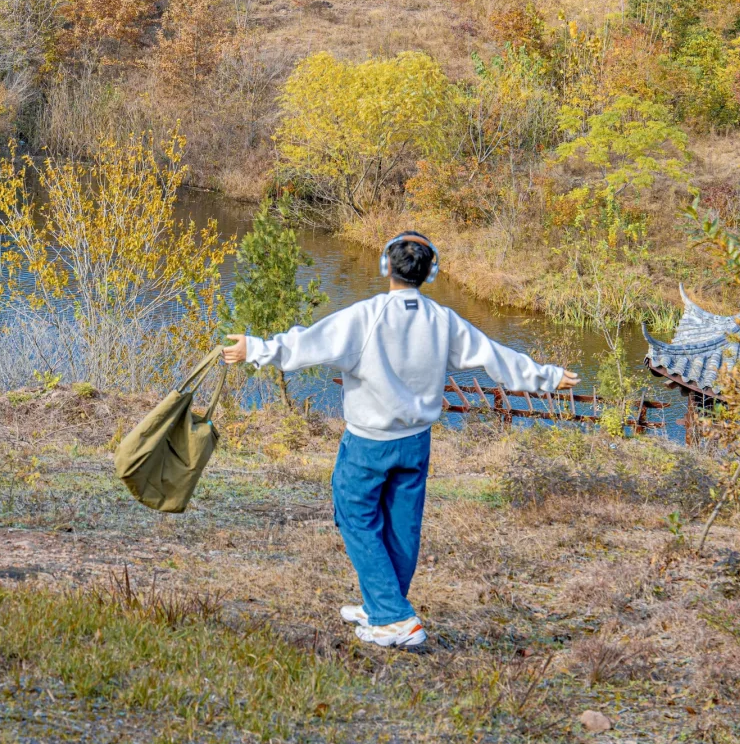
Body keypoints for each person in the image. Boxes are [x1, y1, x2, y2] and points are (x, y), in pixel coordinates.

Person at [222, 230, 578, 650]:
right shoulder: (443, 320)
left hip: (368, 444)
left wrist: (256, 349)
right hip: (416, 443)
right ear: (430, 273)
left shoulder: (365, 316)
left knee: (355, 517)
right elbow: (494, 355)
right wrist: (547, 376)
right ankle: (381, 606)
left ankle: (394, 618)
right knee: (402, 526)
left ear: (385, 266)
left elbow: (307, 345)